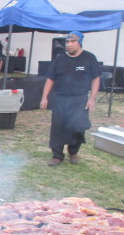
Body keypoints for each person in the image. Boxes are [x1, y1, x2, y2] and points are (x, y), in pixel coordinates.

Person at [40, 31, 101, 166]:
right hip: (60, 98)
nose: (69, 44)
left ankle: (73, 152)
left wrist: (92, 99)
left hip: (79, 99)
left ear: (80, 43)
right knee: (58, 127)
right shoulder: (60, 59)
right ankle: (57, 156)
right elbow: (50, 79)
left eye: (73, 42)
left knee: (77, 127)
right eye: (68, 42)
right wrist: (44, 97)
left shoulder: (89, 58)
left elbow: (96, 78)